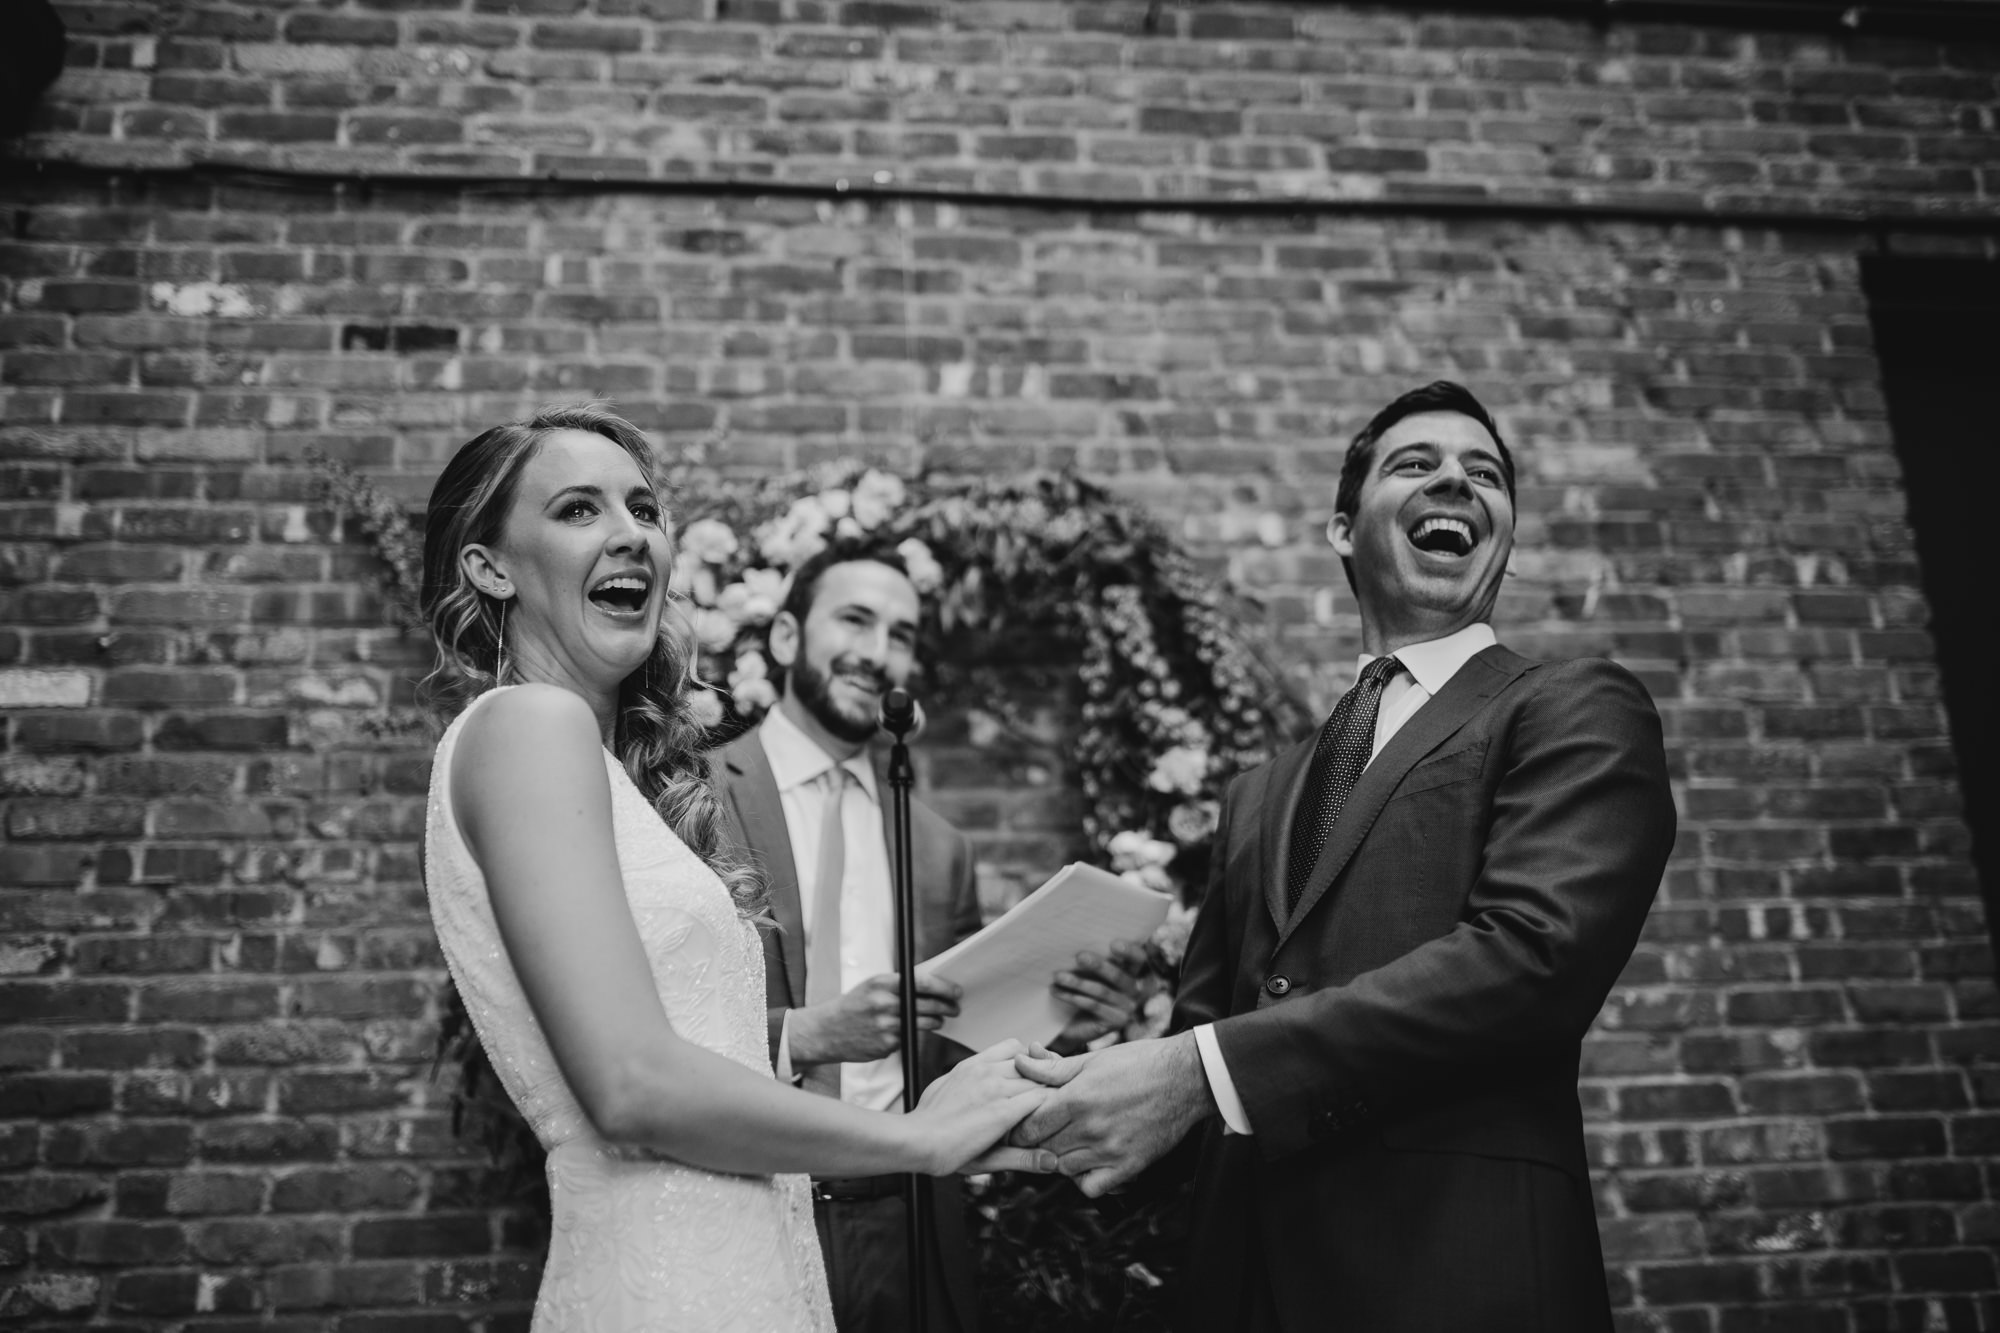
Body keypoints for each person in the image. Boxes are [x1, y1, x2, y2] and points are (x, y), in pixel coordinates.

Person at [1010, 381, 1678, 1332]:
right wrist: (1104, 1072)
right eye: (1417, 464)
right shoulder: (1259, 793)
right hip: (1244, 1285)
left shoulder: (1572, 707)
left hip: (1456, 1275)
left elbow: (1533, 960)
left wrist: (1201, 1067)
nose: (1456, 479)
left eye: (1484, 474)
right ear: (1340, 528)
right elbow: (1214, 1044)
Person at [416, 405, 1054, 1333]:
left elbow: (686, 1042)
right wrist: (920, 1136)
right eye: (579, 510)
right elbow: (630, 1083)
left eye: (642, 507)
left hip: (745, 1261)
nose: (631, 533)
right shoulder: (530, 726)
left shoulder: (602, 768)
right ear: (490, 565)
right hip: (671, 1282)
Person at [712, 539, 1149, 1333]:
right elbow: (653, 1029)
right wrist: (808, 1035)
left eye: (903, 634)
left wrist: (1064, 1020)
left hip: (908, 1214)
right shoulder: (695, 797)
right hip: (751, 1198)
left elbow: (952, 1049)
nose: (879, 653)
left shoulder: (939, 844)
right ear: (783, 638)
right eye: (854, 619)